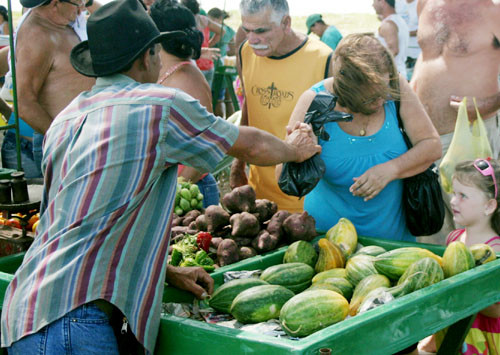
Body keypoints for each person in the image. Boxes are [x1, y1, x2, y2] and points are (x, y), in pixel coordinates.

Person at [0, 0, 321, 352]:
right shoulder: (157, 106)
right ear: (147, 56)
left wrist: (166, 272)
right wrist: (295, 149)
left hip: (27, 311)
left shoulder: (67, 117)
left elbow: (77, 224)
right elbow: (248, 145)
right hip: (73, 320)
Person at [279, 33, 441, 241]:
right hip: (327, 242)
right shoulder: (315, 102)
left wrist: (390, 170)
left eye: (385, 90)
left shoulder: (395, 87)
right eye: (373, 97)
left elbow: (431, 145)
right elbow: (284, 182)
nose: (384, 100)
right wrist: (298, 154)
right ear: (347, 91)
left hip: (395, 244)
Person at [410, 0, 500, 245]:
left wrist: (489, 103)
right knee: (434, 238)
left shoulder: (493, 12)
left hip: (471, 138)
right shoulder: (425, 5)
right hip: (425, 140)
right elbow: (427, 58)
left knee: (475, 240)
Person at [230, 0, 334, 213]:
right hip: (259, 194)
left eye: (261, 31)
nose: (252, 39)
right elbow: (249, 106)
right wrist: (238, 164)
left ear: (286, 23)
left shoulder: (324, 59)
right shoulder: (245, 53)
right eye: (246, 30)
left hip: (305, 197)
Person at [1, 0, 96, 178]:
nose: (82, 8)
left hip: (79, 140)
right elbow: (24, 103)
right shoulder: (36, 35)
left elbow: (118, 16)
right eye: (77, 3)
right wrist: (65, 142)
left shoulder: (67, 22)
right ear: (55, 4)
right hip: (63, 143)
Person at [420, 158, 500, 353]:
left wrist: (464, 288)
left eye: (463, 195)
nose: (454, 201)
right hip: (453, 329)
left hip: (482, 335)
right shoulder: (453, 239)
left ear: (489, 206)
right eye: (454, 193)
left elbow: (497, 310)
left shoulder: (495, 251)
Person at [150, 0, 220, 207]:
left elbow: (207, 146)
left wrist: (178, 192)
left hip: (191, 193)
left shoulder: (187, 79)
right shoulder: (164, 70)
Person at [181, 0, 224, 87]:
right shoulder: (203, 20)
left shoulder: (185, 21)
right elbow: (221, 31)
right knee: (206, 96)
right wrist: (209, 44)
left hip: (195, 64)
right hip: (208, 63)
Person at [208, 7, 237, 117]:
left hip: (214, 67)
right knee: (228, 99)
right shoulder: (230, 30)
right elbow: (232, 49)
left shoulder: (213, 30)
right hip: (225, 65)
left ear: (217, 19)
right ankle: (231, 122)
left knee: (217, 99)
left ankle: (218, 124)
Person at [373, 0, 409, 78]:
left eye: (374, 1)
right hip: (398, 73)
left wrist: (374, 66)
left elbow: (394, 50)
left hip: (392, 77)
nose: (372, 5)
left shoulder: (388, 24)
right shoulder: (399, 20)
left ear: (382, 2)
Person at [395, 0, 420, 80]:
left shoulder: (420, 3)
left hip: (417, 54)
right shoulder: (397, 3)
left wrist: (404, 33)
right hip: (401, 53)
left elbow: (425, 30)